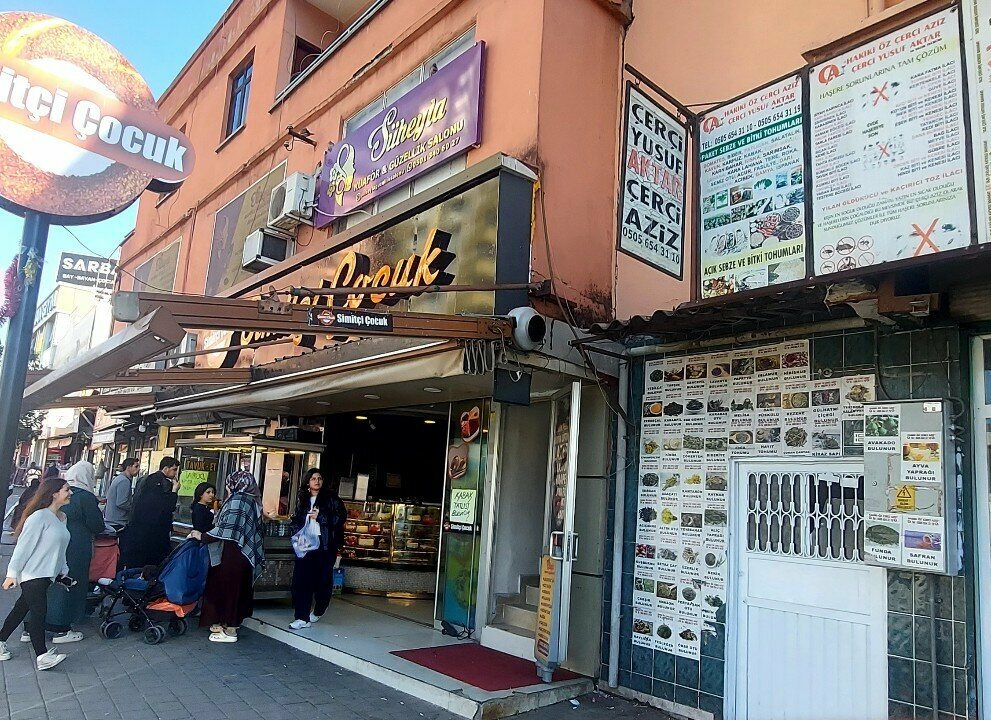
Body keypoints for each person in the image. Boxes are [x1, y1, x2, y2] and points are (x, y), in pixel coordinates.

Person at [0, 476, 73, 671]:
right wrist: (12, 573)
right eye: (67, 490)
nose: (70, 493)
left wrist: (62, 571)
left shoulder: (61, 518)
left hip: (46, 575)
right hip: (32, 575)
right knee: (39, 613)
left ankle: (0, 641)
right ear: (54, 493)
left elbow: (60, 549)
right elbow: (24, 547)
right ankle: (41, 655)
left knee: (20, 609)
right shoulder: (39, 517)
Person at [189, 470, 264, 644]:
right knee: (237, 589)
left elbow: (226, 528)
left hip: (233, 553)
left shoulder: (238, 501)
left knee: (230, 588)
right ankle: (227, 623)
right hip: (241, 553)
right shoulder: (251, 500)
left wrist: (203, 536)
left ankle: (230, 629)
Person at [42, 461, 105, 644]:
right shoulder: (84, 496)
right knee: (69, 582)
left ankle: (33, 625)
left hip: (51, 543)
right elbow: (97, 525)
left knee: (47, 584)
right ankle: (60, 627)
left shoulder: (53, 490)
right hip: (76, 546)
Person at [288, 469, 345, 630]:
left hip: (324, 546)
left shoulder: (331, 499)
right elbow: (297, 518)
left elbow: (340, 518)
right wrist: (295, 531)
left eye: (319, 478)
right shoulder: (303, 499)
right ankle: (301, 617)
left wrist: (320, 517)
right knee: (301, 581)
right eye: (313, 478)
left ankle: (320, 608)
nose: (317, 481)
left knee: (323, 582)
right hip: (305, 545)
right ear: (308, 482)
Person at [119, 457, 179, 569]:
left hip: (139, 530)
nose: (176, 473)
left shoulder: (146, 479)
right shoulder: (163, 483)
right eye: (174, 469)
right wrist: (174, 490)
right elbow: (168, 507)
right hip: (154, 531)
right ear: (166, 469)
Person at [104, 457, 139, 527]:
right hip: (118, 521)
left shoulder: (120, 478)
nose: (138, 469)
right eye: (136, 466)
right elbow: (121, 502)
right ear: (128, 467)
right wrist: (135, 508)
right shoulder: (124, 481)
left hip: (113, 519)